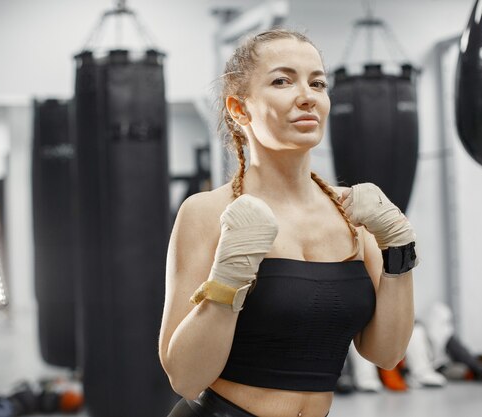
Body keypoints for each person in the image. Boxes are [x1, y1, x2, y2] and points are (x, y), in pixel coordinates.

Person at [159, 28, 417, 417]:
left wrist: (399, 251)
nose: (307, 96)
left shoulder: (354, 216)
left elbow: (386, 353)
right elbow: (185, 377)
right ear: (239, 109)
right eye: (282, 80)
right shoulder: (207, 212)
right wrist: (228, 279)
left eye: (317, 83)